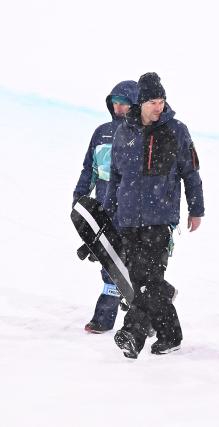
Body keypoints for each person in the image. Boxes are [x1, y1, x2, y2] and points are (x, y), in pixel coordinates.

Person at [104, 72, 204, 359]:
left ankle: (133, 333)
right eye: (152, 101)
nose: (159, 107)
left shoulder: (177, 130)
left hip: (159, 217)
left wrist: (196, 209)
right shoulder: (125, 131)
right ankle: (170, 334)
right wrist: (111, 208)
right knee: (141, 279)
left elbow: (190, 172)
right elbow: (116, 175)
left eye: (162, 101)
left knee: (147, 278)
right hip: (128, 217)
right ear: (141, 103)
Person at [72, 80, 138, 334]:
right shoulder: (101, 132)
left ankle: (149, 312)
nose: (119, 107)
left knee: (136, 263)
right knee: (109, 262)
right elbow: (89, 169)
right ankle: (107, 316)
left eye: (124, 103)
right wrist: (80, 197)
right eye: (115, 102)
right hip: (104, 207)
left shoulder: (141, 134)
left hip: (133, 209)